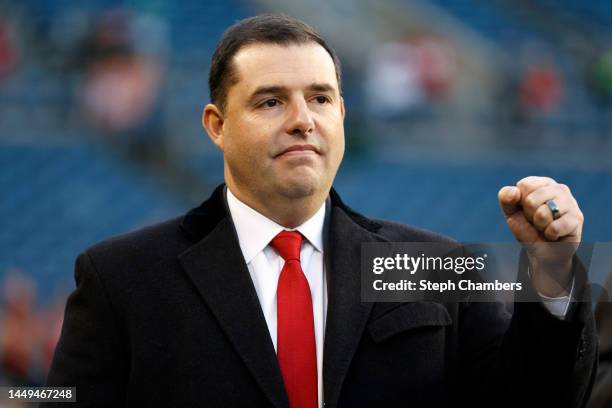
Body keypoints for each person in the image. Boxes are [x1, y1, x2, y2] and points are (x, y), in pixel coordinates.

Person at [44, 14, 596, 408]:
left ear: (342, 115)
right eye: (270, 101)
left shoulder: (437, 265)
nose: (303, 119)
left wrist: (550, 270)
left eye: (321, 97)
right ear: (216, 124)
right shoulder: (123, 277)